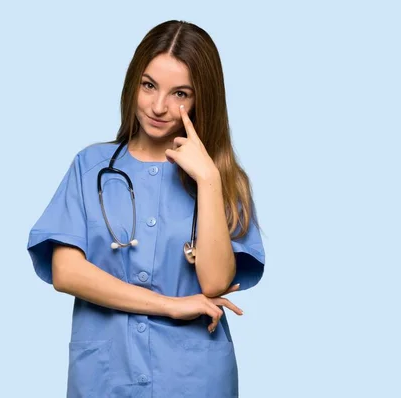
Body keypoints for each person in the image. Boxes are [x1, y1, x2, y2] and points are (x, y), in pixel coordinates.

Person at [27, 19, 266, 398]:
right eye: (149, 85)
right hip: (106, 376)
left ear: (202, 99)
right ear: (133, 83)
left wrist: (207, 180)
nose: (158, 106)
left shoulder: (221, 179)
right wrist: (170, 306)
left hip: (193, 378)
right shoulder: (91, 167)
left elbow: (215, 282)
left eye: (180, 94)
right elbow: (66, 272)